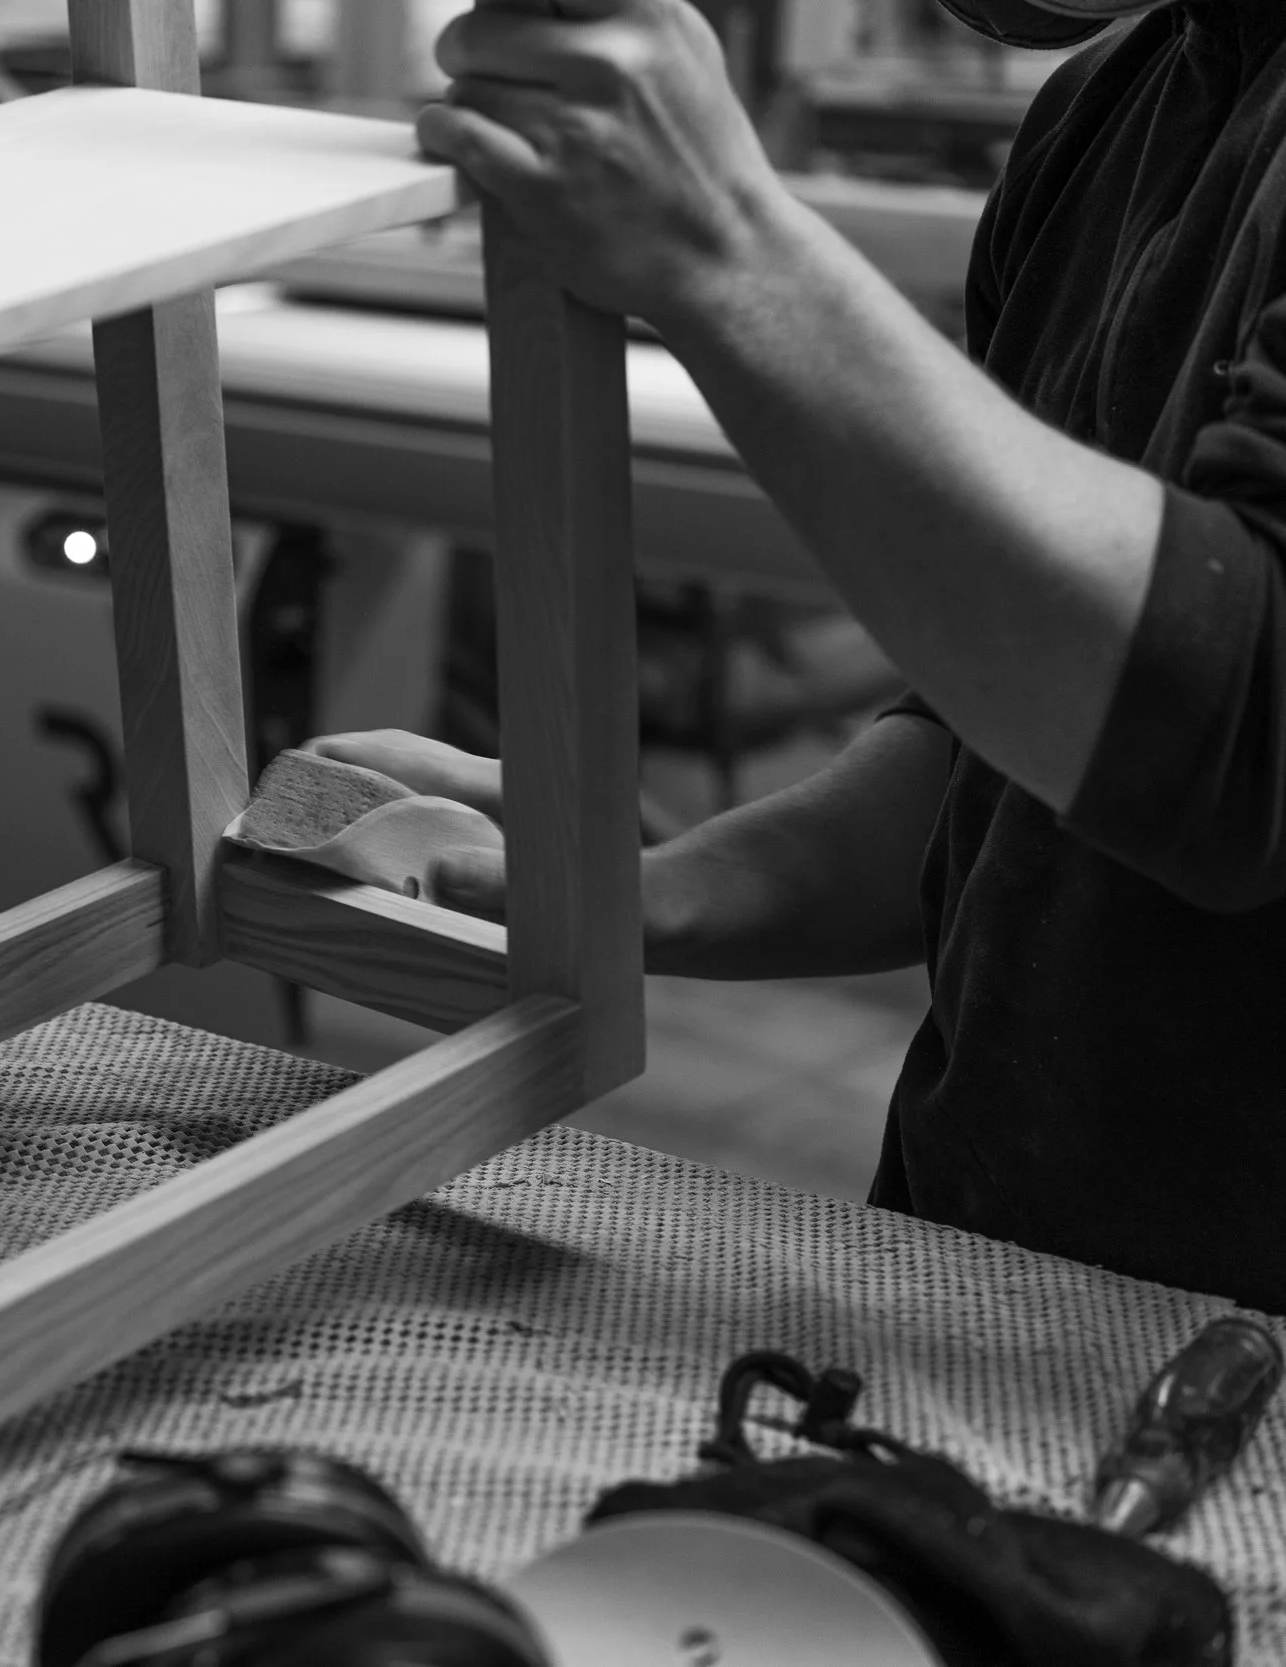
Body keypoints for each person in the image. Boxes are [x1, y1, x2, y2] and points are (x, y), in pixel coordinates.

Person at [309, 0, 1286, 1314]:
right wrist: (649, 885)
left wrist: (724, 244)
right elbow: (1008, 746)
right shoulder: (1111, 109)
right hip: (976, 1268)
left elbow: (1244, 738)